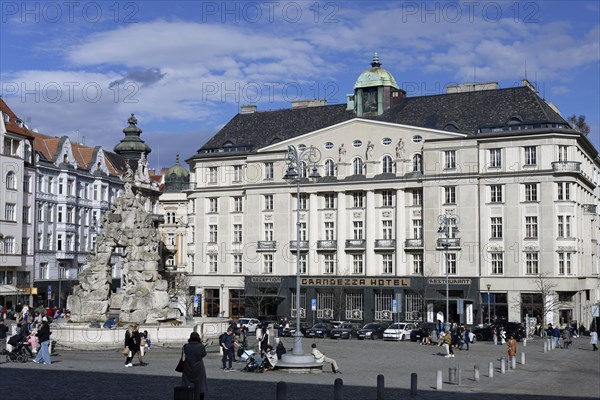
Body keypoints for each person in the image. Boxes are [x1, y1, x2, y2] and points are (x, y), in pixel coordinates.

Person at [180, 331, 208, 400]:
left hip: (188, 366)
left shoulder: (186, 346)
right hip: (199, 367)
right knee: (200, 384)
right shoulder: (201, 346)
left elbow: (185, 354)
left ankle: (188, 396)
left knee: (187, 382)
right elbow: (204, 354)